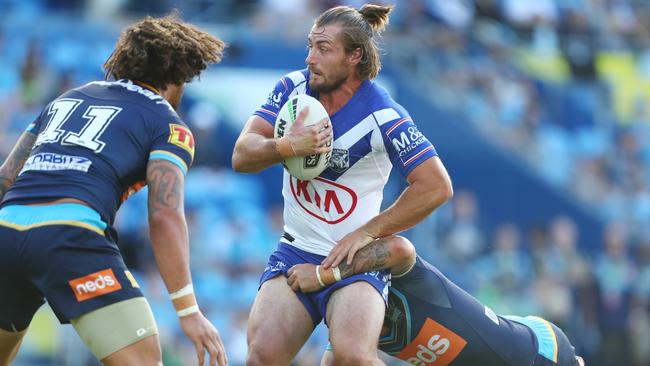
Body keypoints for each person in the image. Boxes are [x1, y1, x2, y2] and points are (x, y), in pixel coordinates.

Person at [232, 4, 453, 365]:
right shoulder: (292, 87)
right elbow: (242, 155)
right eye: (310, 45)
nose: (310, 58)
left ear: (355, 56)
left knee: (352, 358)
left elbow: (436, 186)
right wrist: (288, 146)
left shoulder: (384, 114)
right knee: (262, 357)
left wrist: (366, 233)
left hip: (356, 261)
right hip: (295, 251)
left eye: (323, 48)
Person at [0, 15, 227, 366]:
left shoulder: (66, 99)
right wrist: (188, 311)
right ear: (178, 77)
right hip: (70, 236)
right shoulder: (169, 124)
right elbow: (165, 214)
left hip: (6, 231)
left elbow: (7, 178)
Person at [287, 236, 586, 366]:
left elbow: (399, 248)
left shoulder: (379, 272)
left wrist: (324, 275)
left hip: (537, 353)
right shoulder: (349, 318)